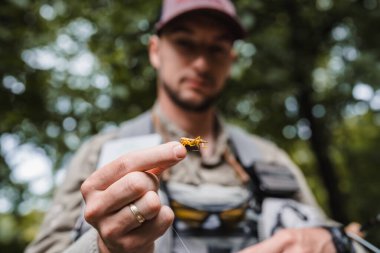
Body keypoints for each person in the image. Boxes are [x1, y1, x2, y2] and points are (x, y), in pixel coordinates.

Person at [26, 0, 362, 252]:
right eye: (185, 43)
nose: (201, 63)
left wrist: (326, 241)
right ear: (155, 51)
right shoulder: (100, 154)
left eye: (217, 48)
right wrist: (102, 247)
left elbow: (341, 238)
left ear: (231, 61)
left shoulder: (270, 158)